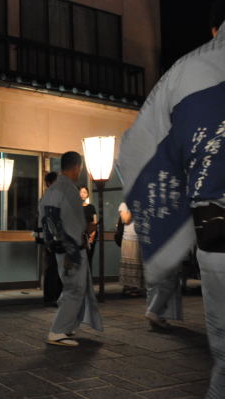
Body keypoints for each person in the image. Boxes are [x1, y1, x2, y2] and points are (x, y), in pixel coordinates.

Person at [118, 2, 225, 396]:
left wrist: (171, 223)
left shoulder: (187, 71)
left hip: (218, 231)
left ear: (214, 29)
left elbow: (137, 149)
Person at [39, 152, 103, 347]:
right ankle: (58, 331)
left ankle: (68, 326)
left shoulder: (52, 190)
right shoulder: (68, 189)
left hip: (59, 247)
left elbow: (49, 222)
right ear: (77, 167)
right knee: (74, 289)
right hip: (70, 248)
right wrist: (70, 250)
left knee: (75, 288)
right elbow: (69, 224)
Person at [36, 172, 63, 306]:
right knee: (54, 267)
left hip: (50, 236)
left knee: (53, 266)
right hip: (54, 236)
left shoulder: (46, 197)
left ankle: (52, 296)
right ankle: (53, 296)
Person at [117, 202, 145, 298]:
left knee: (137, 264)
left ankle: (136, 287)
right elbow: (126, 219)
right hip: (129, 238)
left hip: (140, 238)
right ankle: (128, 287)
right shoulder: (124, 205)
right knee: (129, 263)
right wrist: (134, 208)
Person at [79, 186, 97, 267]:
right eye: (81, 192)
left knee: (88, 258)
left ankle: (88, 279)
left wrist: (92, 236)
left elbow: (94, 222)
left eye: (84, 192)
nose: (82, 194)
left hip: (90, 235)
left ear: (87, 195)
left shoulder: (91, 207)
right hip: (78, 236)